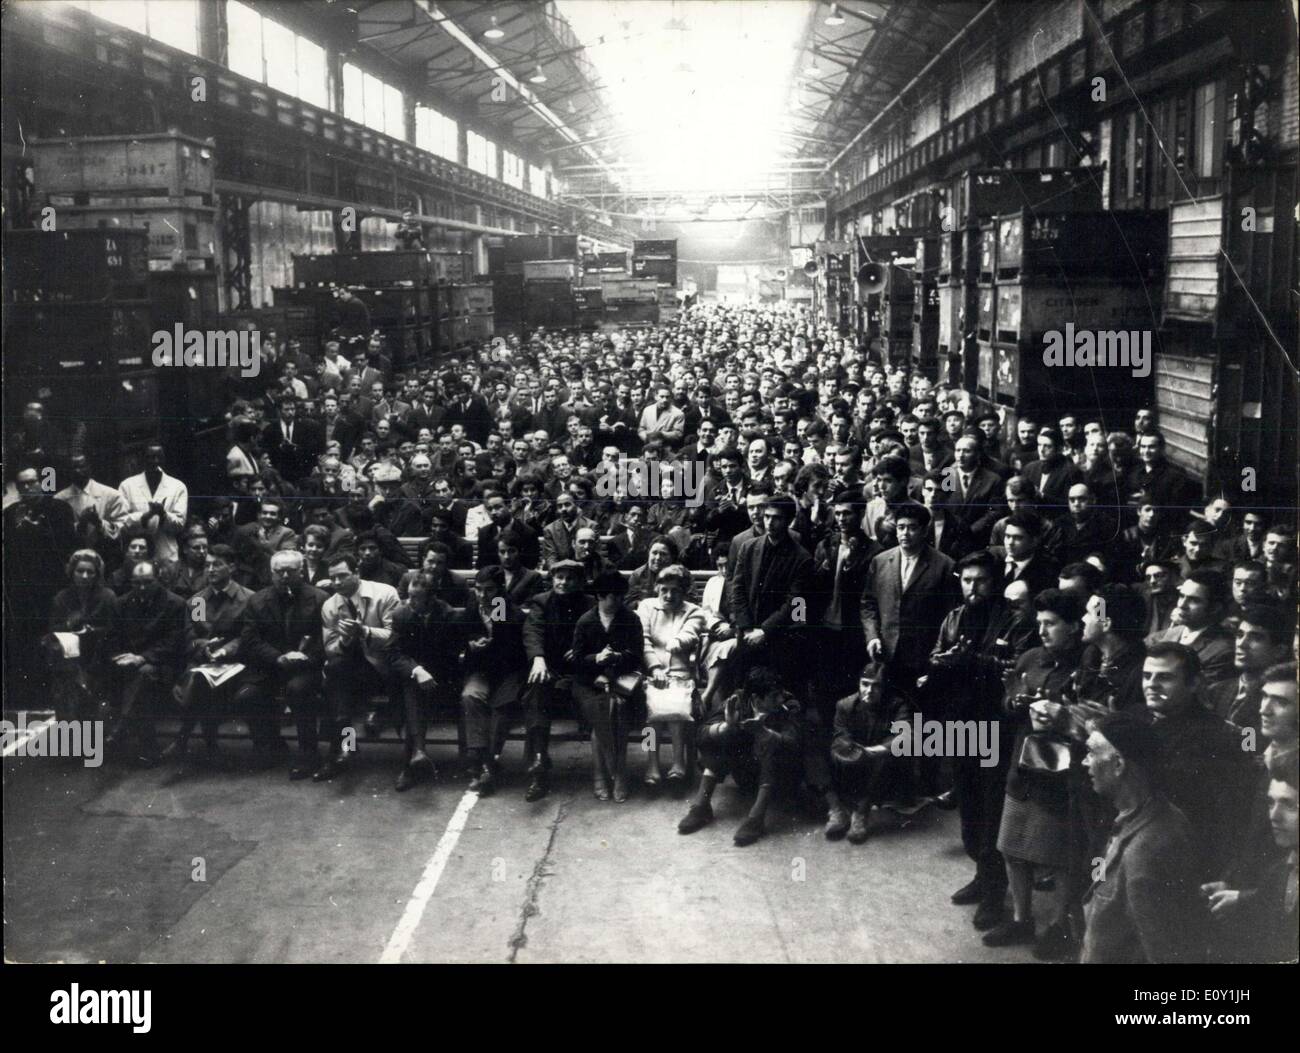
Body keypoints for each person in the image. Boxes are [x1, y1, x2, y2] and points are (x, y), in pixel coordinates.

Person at [985, 590, 1087, 954]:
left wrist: (1058, 712)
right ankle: (1021, 920)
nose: (1043, 630)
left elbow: (1085, 719)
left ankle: (1060, 926)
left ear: (1074, 627)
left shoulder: (1084, 665)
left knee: (1057, 857)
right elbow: (1007, 703)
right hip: (1023, 768)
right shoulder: (1029, 658)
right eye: (1040, 622)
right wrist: (1016, 702)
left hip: (1058, 777)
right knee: (1012, 849)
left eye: (1052, 623)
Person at [1080, 710, 1209, 963]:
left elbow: (1165, 955)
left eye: (1092, 753)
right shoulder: (1157, 815)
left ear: (1118, 765)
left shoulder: (1144, 853)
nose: (1086, 762)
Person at [677, 667, 804, 847]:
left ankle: (756, 818)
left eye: (780, 693)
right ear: (755, 699)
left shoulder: (790, 705)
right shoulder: (737, 701)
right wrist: (726, 727)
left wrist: (766, 734)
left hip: (780, 780)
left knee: (770, 746)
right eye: (774, 696)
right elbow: (701, 735)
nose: (780, 699)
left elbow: (794, 745)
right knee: (725, 735)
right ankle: (702, 806)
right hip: (746, 775)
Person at [236, 550, 328, 778]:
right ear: (271, 573)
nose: (285, 576)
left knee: (298, 690)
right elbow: (250, 640)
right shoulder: (256, 600)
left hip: (306, 667)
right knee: (247, 695)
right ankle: (270, 745)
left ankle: (308, 752)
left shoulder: (319, 598)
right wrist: (278, 657)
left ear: (301, 571)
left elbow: (325, 638)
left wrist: (306, 657)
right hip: (270, 666)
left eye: (291, 571)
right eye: (279, 571)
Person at [168, 545, 255, 766]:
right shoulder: (198, 601)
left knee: (199, 682)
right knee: (200, 678)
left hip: (237, 663)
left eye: (217, 564)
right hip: (205, 661)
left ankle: (185, 738)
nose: (211, 570)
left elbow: (248, 636)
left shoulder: (247, 599)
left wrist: (226, 650)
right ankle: (206, 743)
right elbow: (193, 634)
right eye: (207, 565)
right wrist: (204, 646)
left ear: (232, 567)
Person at [319, 551, 402, 781]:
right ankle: (345, 745)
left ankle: (342, 747)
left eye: (343, 576)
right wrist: (345, 640)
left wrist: (364, 631)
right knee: (338, 674)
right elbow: (330, 648)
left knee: (335, 679)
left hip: (382, 667)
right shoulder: (330, 605)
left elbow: (396, 637)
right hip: (348, 671)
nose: (336, 583)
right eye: (333, 578)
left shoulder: (385, 593)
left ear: (357, 572)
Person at [519, 560, 593, 801]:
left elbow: (601, 635)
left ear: (580, 582)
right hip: (550, 670)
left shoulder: (590, 603)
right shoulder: (541, 602)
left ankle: (609, 772)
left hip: (581, 673)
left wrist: (583, 649)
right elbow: (533, 631)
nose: (563, 582)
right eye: (559, 577)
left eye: (570, 578)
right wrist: (538, 658)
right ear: (552, 579)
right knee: (536, 691)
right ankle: (539, 765)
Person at [570, 570, 645, 802]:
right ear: (600, 597)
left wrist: (613, 661)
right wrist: (596, 661)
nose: (619, 601)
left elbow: (636, 656)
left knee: (619, 710)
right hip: (589, 684)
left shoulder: (631, 619)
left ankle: (615, 773)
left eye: (621, 596)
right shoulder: (585, 621)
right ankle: (606, 773)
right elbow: (578, 661)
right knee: (601, 711)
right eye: (613, 596)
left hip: (622, 681)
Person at [105, 560, 187, 767]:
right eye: (137, 583)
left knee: (144, 674)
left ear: (158, 580)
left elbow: (174, 642)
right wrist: (123, 656)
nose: (142, 588)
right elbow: (112, 637)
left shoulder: (175, 604)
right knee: (136, 676)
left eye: (147, 582)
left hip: (164, 665)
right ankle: (147, 747)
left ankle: (122, 727)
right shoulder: (121, 603)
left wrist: (142, 657)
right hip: (129, 662)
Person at [455, 566, 528, 796]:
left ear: (501, 590)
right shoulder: (473, 607)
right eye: (478, 589)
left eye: (489, 590)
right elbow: (461, 638)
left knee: (501, 705)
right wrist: (471, 647)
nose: (483, 595)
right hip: (482, 671)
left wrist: (486, 648)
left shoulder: (505, 610)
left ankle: (487, 763)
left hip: (509, 672)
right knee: (470, 696)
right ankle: (479, 758)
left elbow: (510, 650)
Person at [825, 661, 912, 845]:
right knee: (825, 749)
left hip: (880, 765)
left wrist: (873, 751)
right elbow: (841, 737)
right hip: (852, 758)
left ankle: (861, 813)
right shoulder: (845, 705)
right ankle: (837, 809)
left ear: (885, 687)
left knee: (888, 754)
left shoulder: (897, 706)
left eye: (876, 685)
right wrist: (853, 752)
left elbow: (904, 736)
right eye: (865, 684)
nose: (869, 690)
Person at [389, 571, 462, 792]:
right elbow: (393, 654)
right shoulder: (401, 614)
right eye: (408, 596)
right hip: (414, 677)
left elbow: (453, 654)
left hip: (444, 678)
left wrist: (428, 672)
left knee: (415, 692)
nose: (409, 601)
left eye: (415, 598)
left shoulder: (448, 615)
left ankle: (414, 758)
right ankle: (415, 757)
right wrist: (417, 669)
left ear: (431, 599)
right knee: (412, 687)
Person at [637, 564, 707, 790]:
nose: (668, 595)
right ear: (657, 587)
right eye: (663, 589)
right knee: (651, 714)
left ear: (684, 591)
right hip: (649, 670)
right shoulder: (646, 607)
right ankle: (652, 763)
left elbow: (689, 633)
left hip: (679, 672)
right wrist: (655, 667)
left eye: (675, 590)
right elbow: (643, 640)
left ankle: (678, 763)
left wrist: (676, 643)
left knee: (676, 708)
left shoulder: (693, 611)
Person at [44, 549, 117, 726]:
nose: (84, 576)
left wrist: (91, 632)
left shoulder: (107, 597)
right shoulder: (62, 598)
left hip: (99, 655)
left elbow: (115, 630)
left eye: (90, 572)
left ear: (97, 574)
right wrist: (69, 628)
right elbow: (53, 629)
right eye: (80, 571)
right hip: (70, 657)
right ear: (72, 572)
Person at [1145, 568, 1235, 686]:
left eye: (1194, 600)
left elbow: (1201, 694)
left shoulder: (1224, 651)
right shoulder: (1158, 638)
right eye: (1182, 596)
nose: (1182, 605)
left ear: (1214, 608)